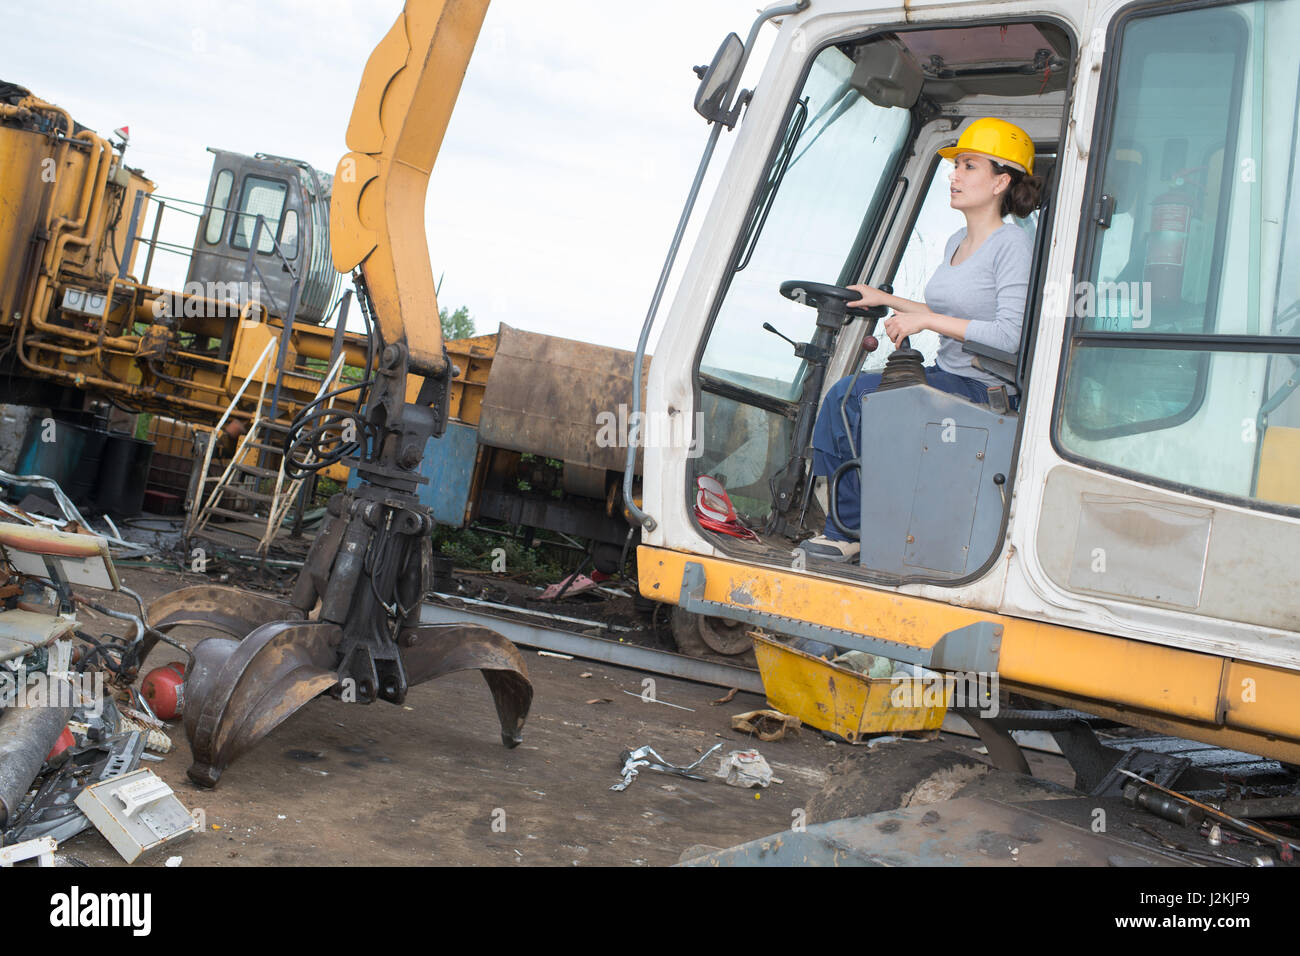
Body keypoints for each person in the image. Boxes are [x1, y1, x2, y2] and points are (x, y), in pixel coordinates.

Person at [799, 117, 1044, 562]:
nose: (954, 175)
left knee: (859, 400)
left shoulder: (1013, 245)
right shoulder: (957, 239)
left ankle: (848, 530)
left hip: (985, 388)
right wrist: (885, 298)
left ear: (1000, 182)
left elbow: (1009, 338)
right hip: (948, 374)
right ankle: (853, 521)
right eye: (956, 166)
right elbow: (951, 313)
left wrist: (925, 323)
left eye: (969, 166)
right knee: (844, 394)